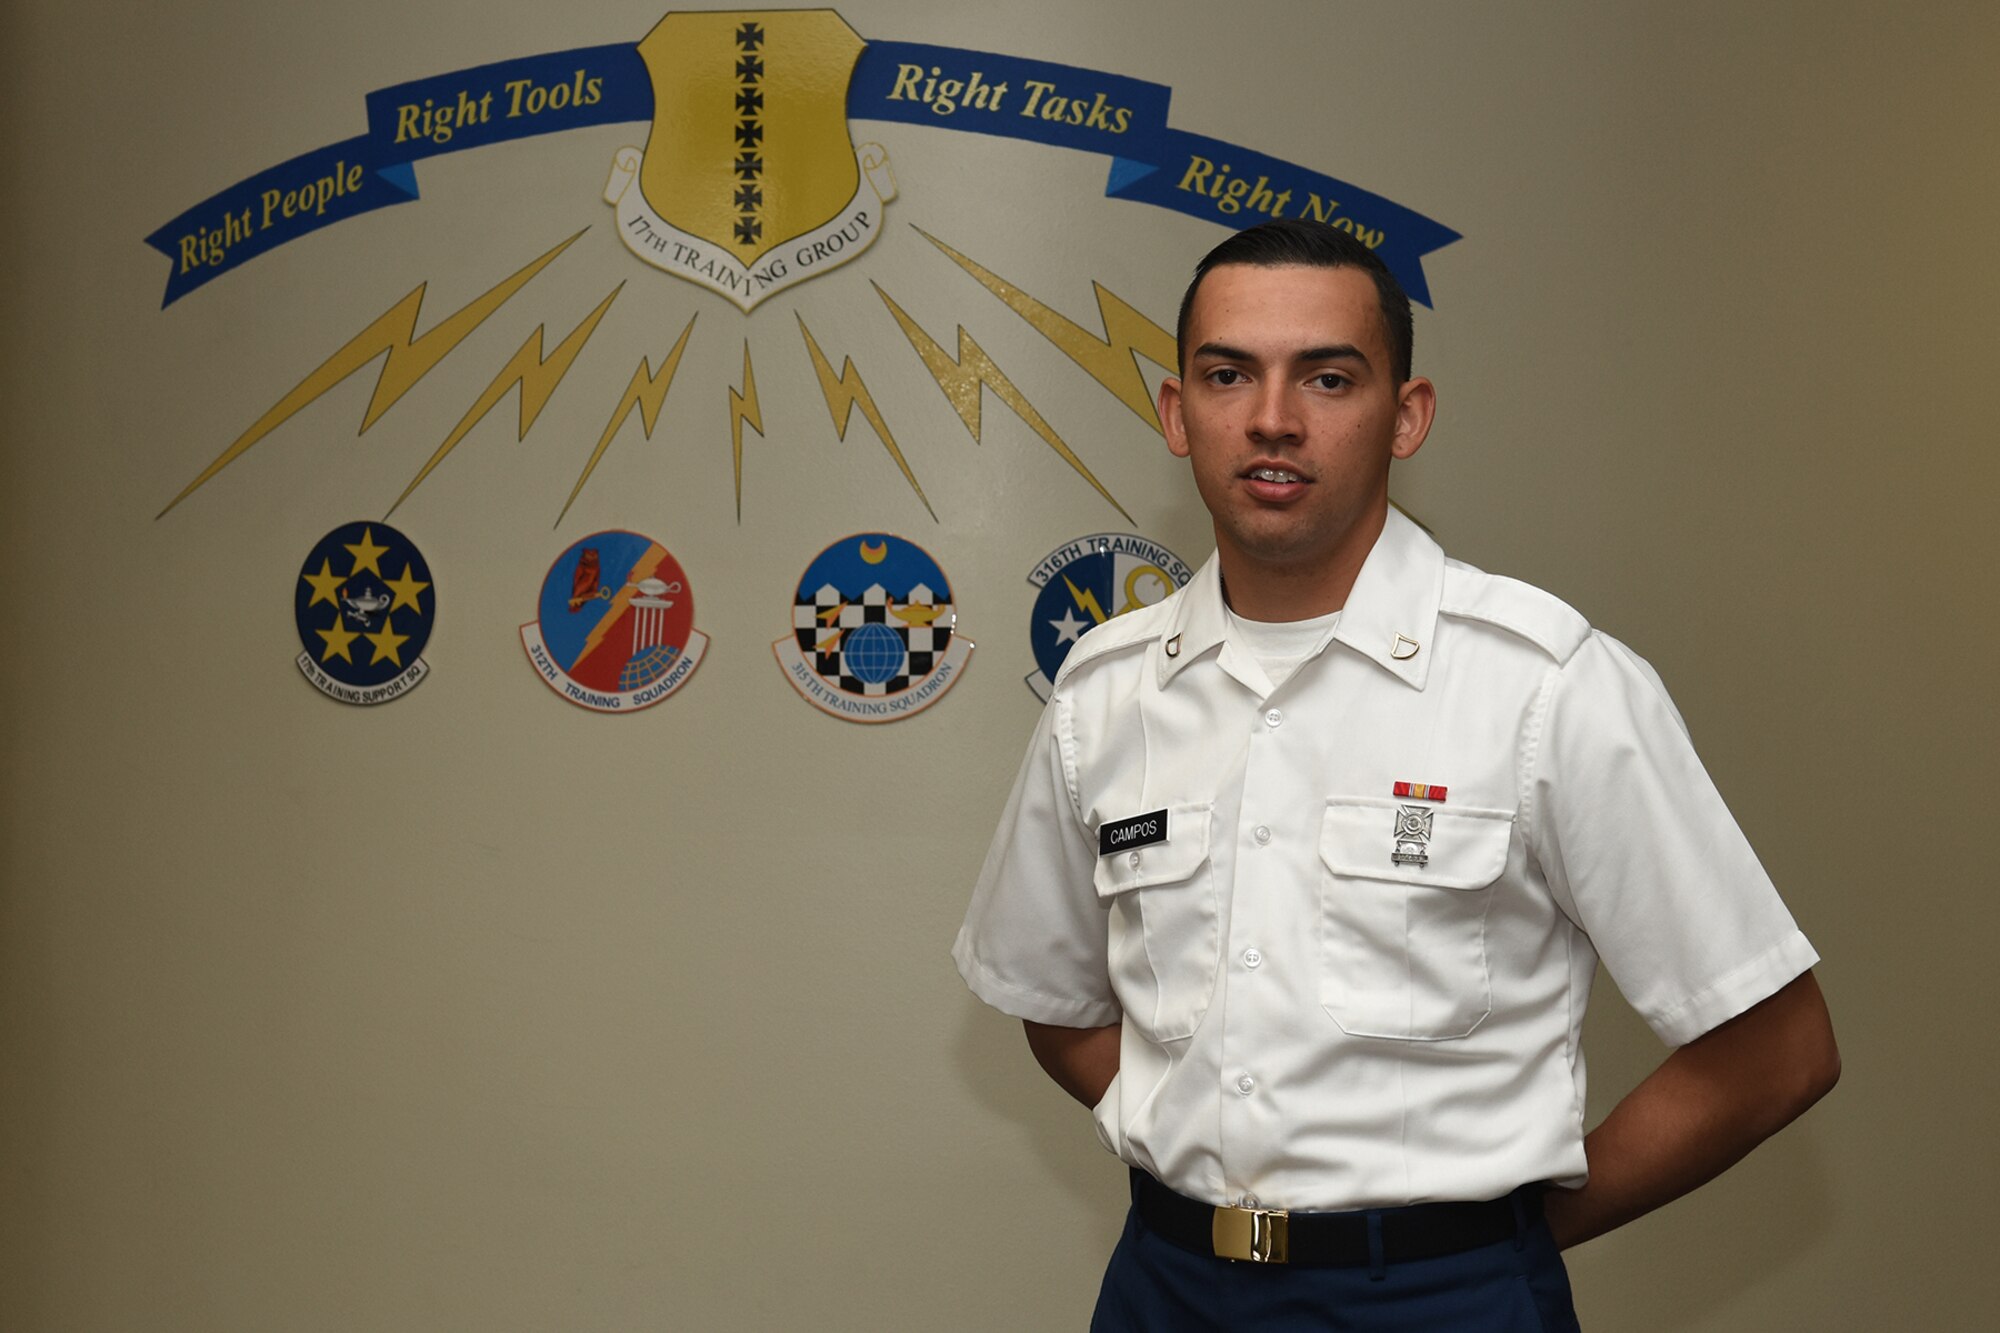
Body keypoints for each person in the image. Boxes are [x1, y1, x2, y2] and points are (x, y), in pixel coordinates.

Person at [952, 218, 1839, 1330]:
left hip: (1442, 1298)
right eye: (1228, 374)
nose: (1271, 418)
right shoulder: (1105, 690)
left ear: (1404, 416)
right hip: (1165, 1286)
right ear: (1177, 414)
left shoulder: (1544, 684)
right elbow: (1051, 1001)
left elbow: (1775, 1049)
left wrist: (1501, 1231)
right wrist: (1191, 1125)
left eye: (1326, 377)